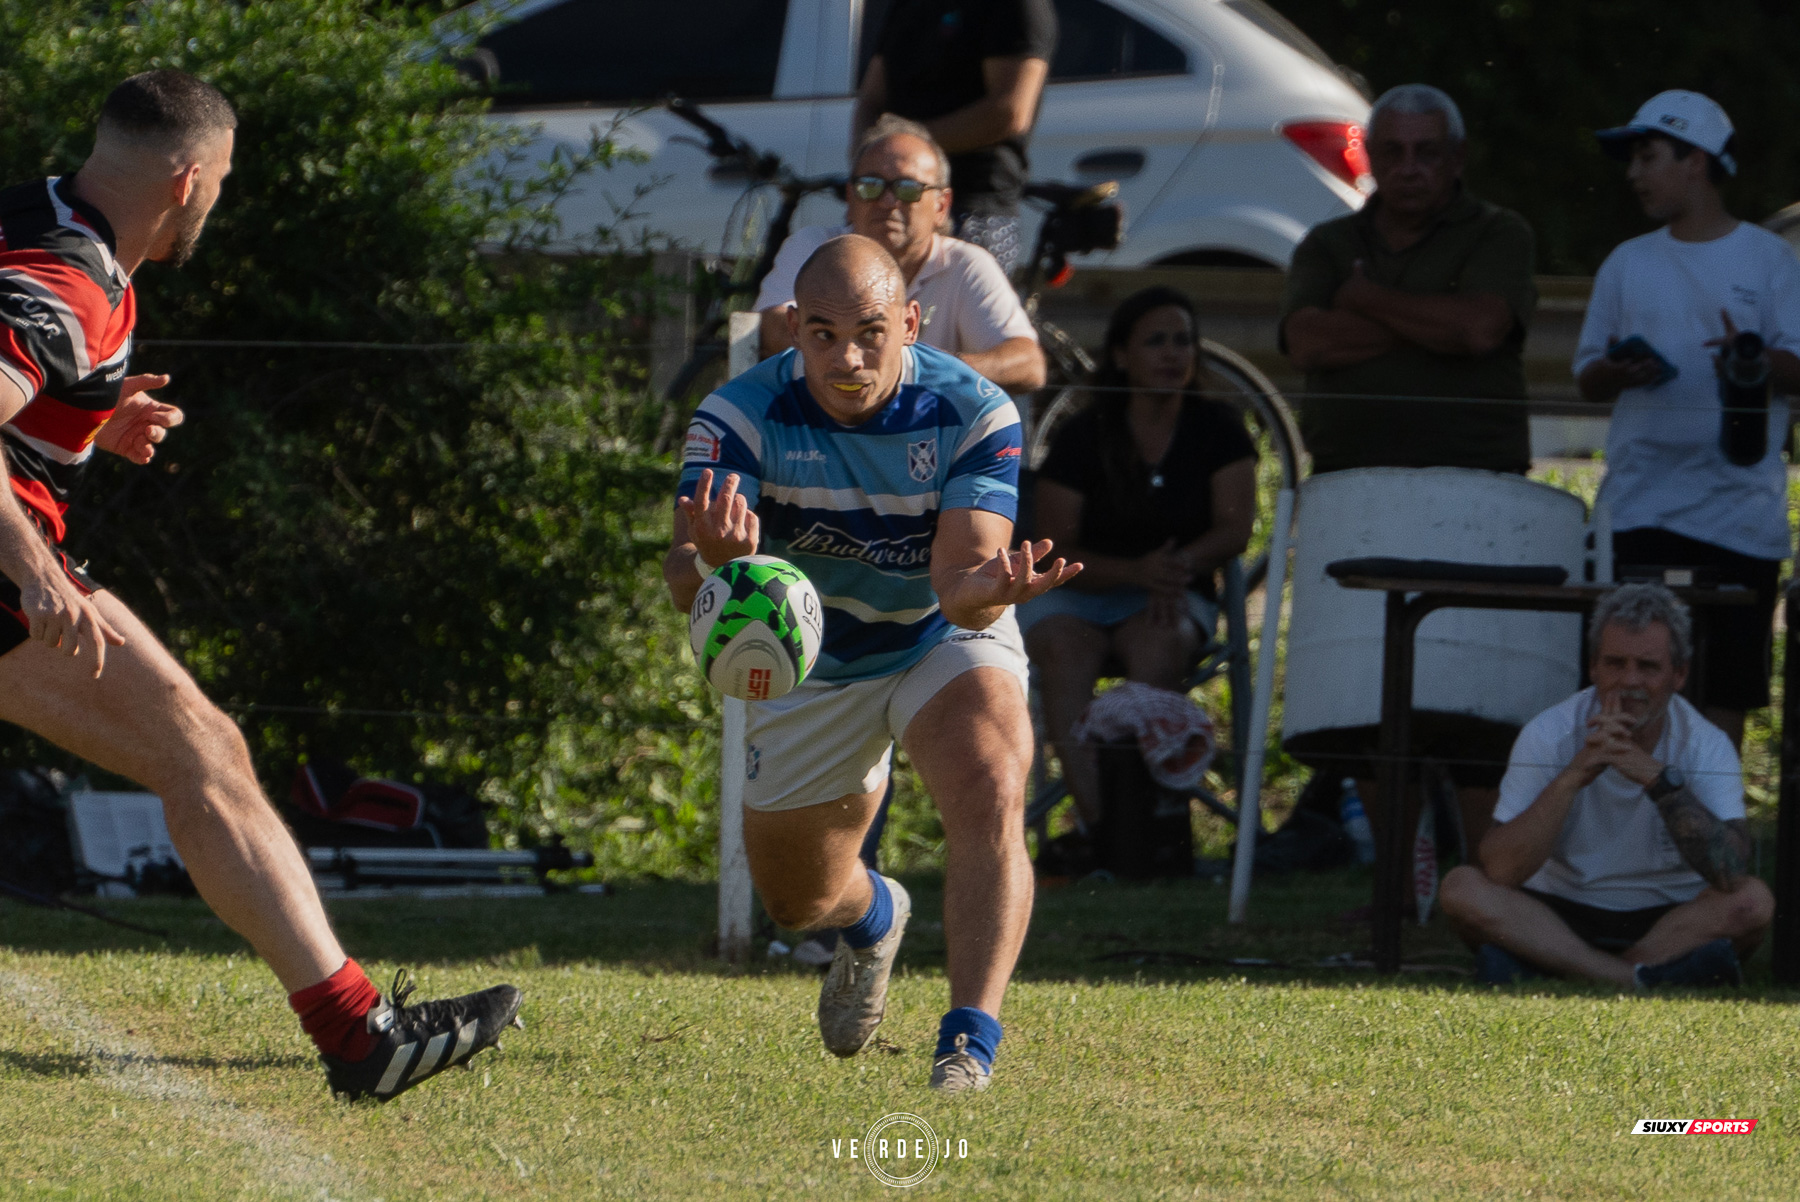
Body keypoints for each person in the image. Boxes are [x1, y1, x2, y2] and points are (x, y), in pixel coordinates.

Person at [0, 71, 520, 1101]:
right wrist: (28, 566)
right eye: (225, 180)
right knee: (199, 750)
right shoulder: (72, 283)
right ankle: (360, 1033)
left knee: (203, 748)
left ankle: (358, 1028)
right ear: (187, 180)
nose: (220, 200)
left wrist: (87, 414)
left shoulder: (36, 214)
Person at [666, 234, 1077, 1091]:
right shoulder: (735, 417)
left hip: (936, 633)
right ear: (793, 329)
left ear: (912, 324)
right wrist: (714, 563)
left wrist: (989, 593)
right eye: (822, 334)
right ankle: (876, 914)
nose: (846, 358)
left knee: (992, 782)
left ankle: (967, 1044)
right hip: (807, 663)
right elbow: (682, 581)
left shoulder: (976, 411)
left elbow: (960, 584)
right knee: (797, 903)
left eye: (870, 334)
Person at [1573, 90, 1800, 751]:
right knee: (1623, 689)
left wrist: (1750, 361)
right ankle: (1619, 812)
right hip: (1637, 513)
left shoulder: (1769, 258)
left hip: (1738, 519)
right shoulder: (1627, 261)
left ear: (1695, 160)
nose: (1633, 174)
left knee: (1724, 696)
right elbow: (1587, 378)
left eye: (1647, 157)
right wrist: (1619, 370)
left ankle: (1712, 816)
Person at [1439, 584, 1773, 988]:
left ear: (1679, 674)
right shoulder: (1550, 733)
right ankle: (1635, 978)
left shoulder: (1705, 744)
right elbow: (1501, 870)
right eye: (1615, 663)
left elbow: (1731, 872)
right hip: (1557, 912)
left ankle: (1565, 969)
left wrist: (1655, 778)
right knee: (1461, 887)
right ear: (1594, 668)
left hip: (1670, 916)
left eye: (1647, 667)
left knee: (1754, 902)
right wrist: (1575, 773)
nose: (1629, 681)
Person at [1022, 286, 1256, 830]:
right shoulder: (1083, 435)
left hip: (1174, 592)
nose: (1173, 353)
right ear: (1122, 355)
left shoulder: (1219, 428)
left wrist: (1174, 568)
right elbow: (1054, 546)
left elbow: (1234, 529)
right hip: (1080, 591)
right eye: (1156, 341)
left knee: (1159, 640)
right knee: (1062, 648)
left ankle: (1150, 822)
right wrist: (1134, 571)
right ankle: (1104, 831)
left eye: (1183, 341)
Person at [1280, 84, 1537, 475]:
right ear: (1369, 155)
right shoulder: (1328, 243)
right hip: (1347, 473)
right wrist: (1437, 324)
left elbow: (1479, 329)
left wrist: (1366, 299)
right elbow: (1305, 345)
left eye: (1427, 152)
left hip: (1477, 474)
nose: (1408, 168)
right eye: (1392, 151)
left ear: (1457, 157)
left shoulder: (1498, 232)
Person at [756, 115, 1044, 394]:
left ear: (941, 205)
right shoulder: (813, 247)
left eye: (908, 189)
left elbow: (1027, 365)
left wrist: (925, 368)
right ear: (850, 197)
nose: (888, 201)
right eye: (870, 186)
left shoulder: (966, 264)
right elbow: (772, 329)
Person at [854, 0, 1057, 277]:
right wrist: (864, 168)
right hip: (887, 202)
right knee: (870, 301)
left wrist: (906, 152)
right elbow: (870, 99)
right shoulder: (906, 6)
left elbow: (1010, 113)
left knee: (954, 305)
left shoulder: (1016, 7)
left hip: (970, 208)